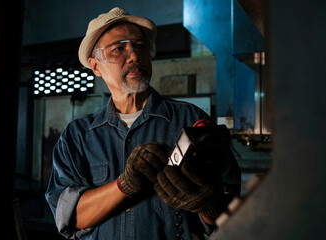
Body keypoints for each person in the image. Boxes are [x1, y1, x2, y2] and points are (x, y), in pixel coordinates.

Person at [45, 7, 241, 240]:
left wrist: (210, 206)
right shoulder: (77, 136)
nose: (135, 56)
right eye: (119, 49)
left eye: (140, 46)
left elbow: (231, 212)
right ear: (95, 66)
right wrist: (123, 185)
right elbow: (68, 216)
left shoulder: (190, 119)